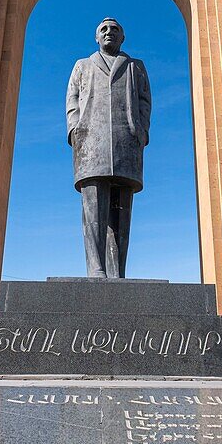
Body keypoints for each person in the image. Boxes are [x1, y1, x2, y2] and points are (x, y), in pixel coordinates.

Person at [66, 18, 152, 278]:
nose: (109, 32)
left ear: (123, 37)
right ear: (96, 37)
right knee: (93, 207)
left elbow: (144, 101)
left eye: (114, 29)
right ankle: (96, 268)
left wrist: (141, 130)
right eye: (103, 29)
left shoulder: (136, 66)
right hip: (91, 140)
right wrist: (75, 128)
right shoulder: (82, 65)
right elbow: (72, 99)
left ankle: (117, 271)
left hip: (127, 141)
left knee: (122, 210)